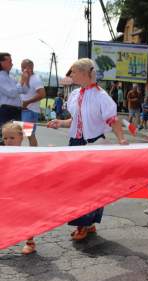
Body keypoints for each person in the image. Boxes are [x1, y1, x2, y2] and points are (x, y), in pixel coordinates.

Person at [47, 58, 128, 241]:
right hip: (75, 143)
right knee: (76, 186)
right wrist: (60, 123)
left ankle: (84, 224)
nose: (71, 75)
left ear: (84, 73)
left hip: (94, 144)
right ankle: (87, 223)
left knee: (90, 186)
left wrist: (121, 139)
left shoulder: (101, 96)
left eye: (73, 72)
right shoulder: (75, 94)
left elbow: (112, 120)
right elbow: (75, 120)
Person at [1, 122, 38, 254]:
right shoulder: (3, 152)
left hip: (24, 193)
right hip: (7, 192)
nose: (8, 141)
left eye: (12, 138)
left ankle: (30, 242)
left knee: (26, 218)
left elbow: (34, 145)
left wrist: (28, 130)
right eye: (5, 138)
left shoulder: (26, 152)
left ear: (21, 138)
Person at [0, 52, 29, 132]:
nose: (12, 64)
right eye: (9, 61)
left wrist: (25, 80)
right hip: (7, 111)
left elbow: (24, 90)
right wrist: (21, 81)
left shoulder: (10, 77)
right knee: (6, 138)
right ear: (1, 63)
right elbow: (12, 93)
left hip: (15, 110)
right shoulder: (1, 77)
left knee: (17, 137)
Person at [20, 59, 45, 147]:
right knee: (25, 134)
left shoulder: (36, 79)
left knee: (30, 135)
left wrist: (27, 102)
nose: (22, 69)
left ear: (30, 67)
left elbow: (42, 94)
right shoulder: (26, 77)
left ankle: (33, 153)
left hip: (30, 111)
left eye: (23, 67)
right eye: (21, 67)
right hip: (25, 110)